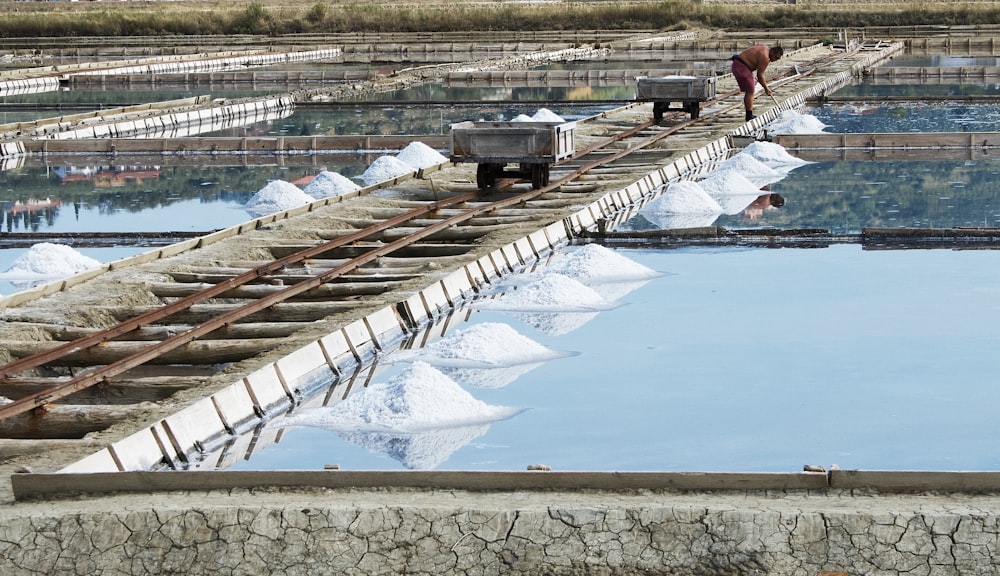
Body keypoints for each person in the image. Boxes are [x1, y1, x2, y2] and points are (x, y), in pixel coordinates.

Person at [731, 45, 784, 122]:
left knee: (751, 86)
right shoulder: (765, 57)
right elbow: (760, 75)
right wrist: (766, 88)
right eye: (775, 57)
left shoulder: (765, 48)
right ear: (772, 52)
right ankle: (749, 115)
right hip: (741, 66)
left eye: (778, 59)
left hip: (740, 65)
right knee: (750, 90)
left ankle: (749, 114)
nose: (775, 60)